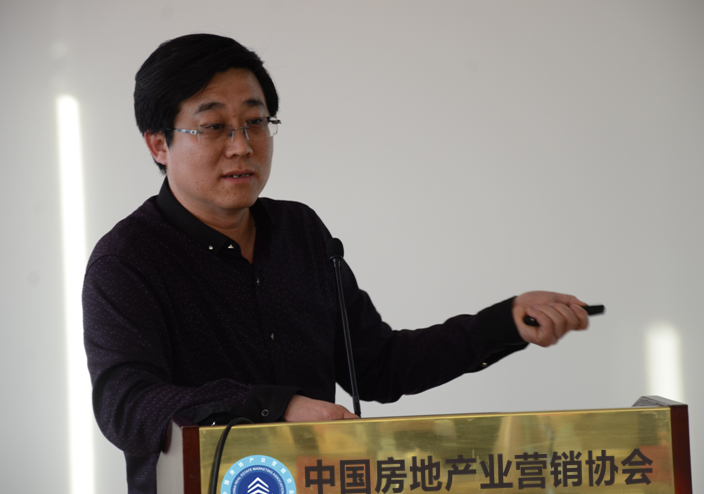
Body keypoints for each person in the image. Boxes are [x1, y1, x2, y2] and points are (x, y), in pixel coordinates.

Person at [83, 33, 590, 494]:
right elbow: (126, 405)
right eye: (214, 126)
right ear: (158, 143)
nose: (242, 146)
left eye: (255, 122)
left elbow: (378, 366)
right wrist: (273, 407)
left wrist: (503, 323)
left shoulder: (300, 232)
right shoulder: (127, 260)